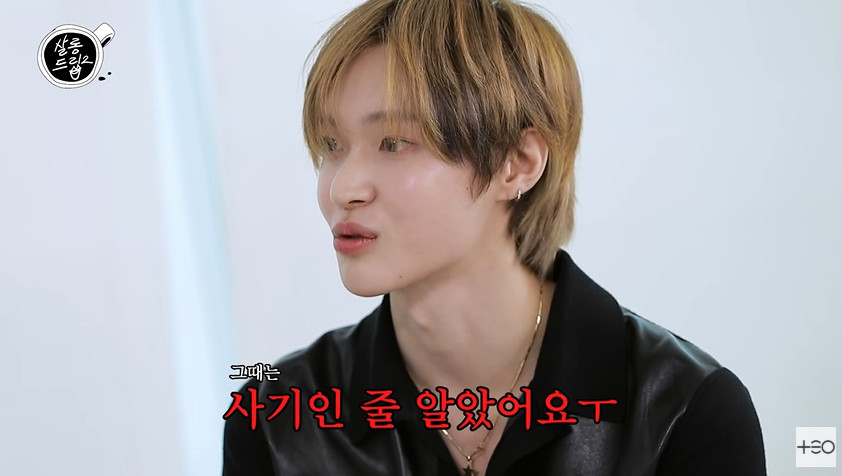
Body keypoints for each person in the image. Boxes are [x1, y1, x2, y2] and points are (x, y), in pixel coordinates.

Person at [222, 0, 766, 474]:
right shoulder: (275, 421)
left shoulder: (683, 412)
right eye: (330, 145)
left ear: (518, 163)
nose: (343, 188)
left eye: (393, 142)